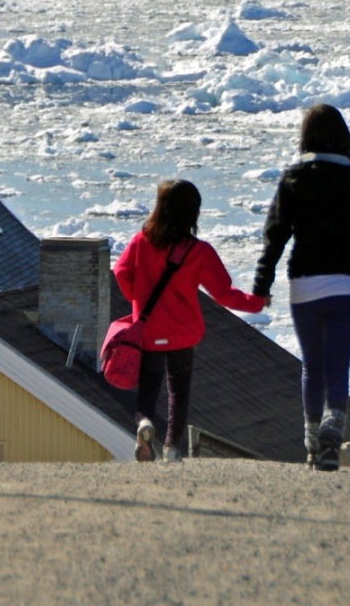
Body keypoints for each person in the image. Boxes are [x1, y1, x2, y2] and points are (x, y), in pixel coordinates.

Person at [252, 104, 350, 471]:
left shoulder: (293, 178)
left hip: (305, 285)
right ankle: (332, 431)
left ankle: (311, 443)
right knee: (337, 363)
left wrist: (262, 283)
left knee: (312, 366)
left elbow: (275, 236)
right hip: (348, 284)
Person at [114, 179, 267, 463]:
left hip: (150, 331)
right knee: (178, 391)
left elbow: (121, 272)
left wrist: (138, 304)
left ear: (160, 207)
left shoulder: (141, 242)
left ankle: (144, 424)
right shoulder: (199, 251)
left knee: (148, 387)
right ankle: (172, 449)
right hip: (182, 332)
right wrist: (256, 302)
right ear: (193, 212)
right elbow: (224, 293)